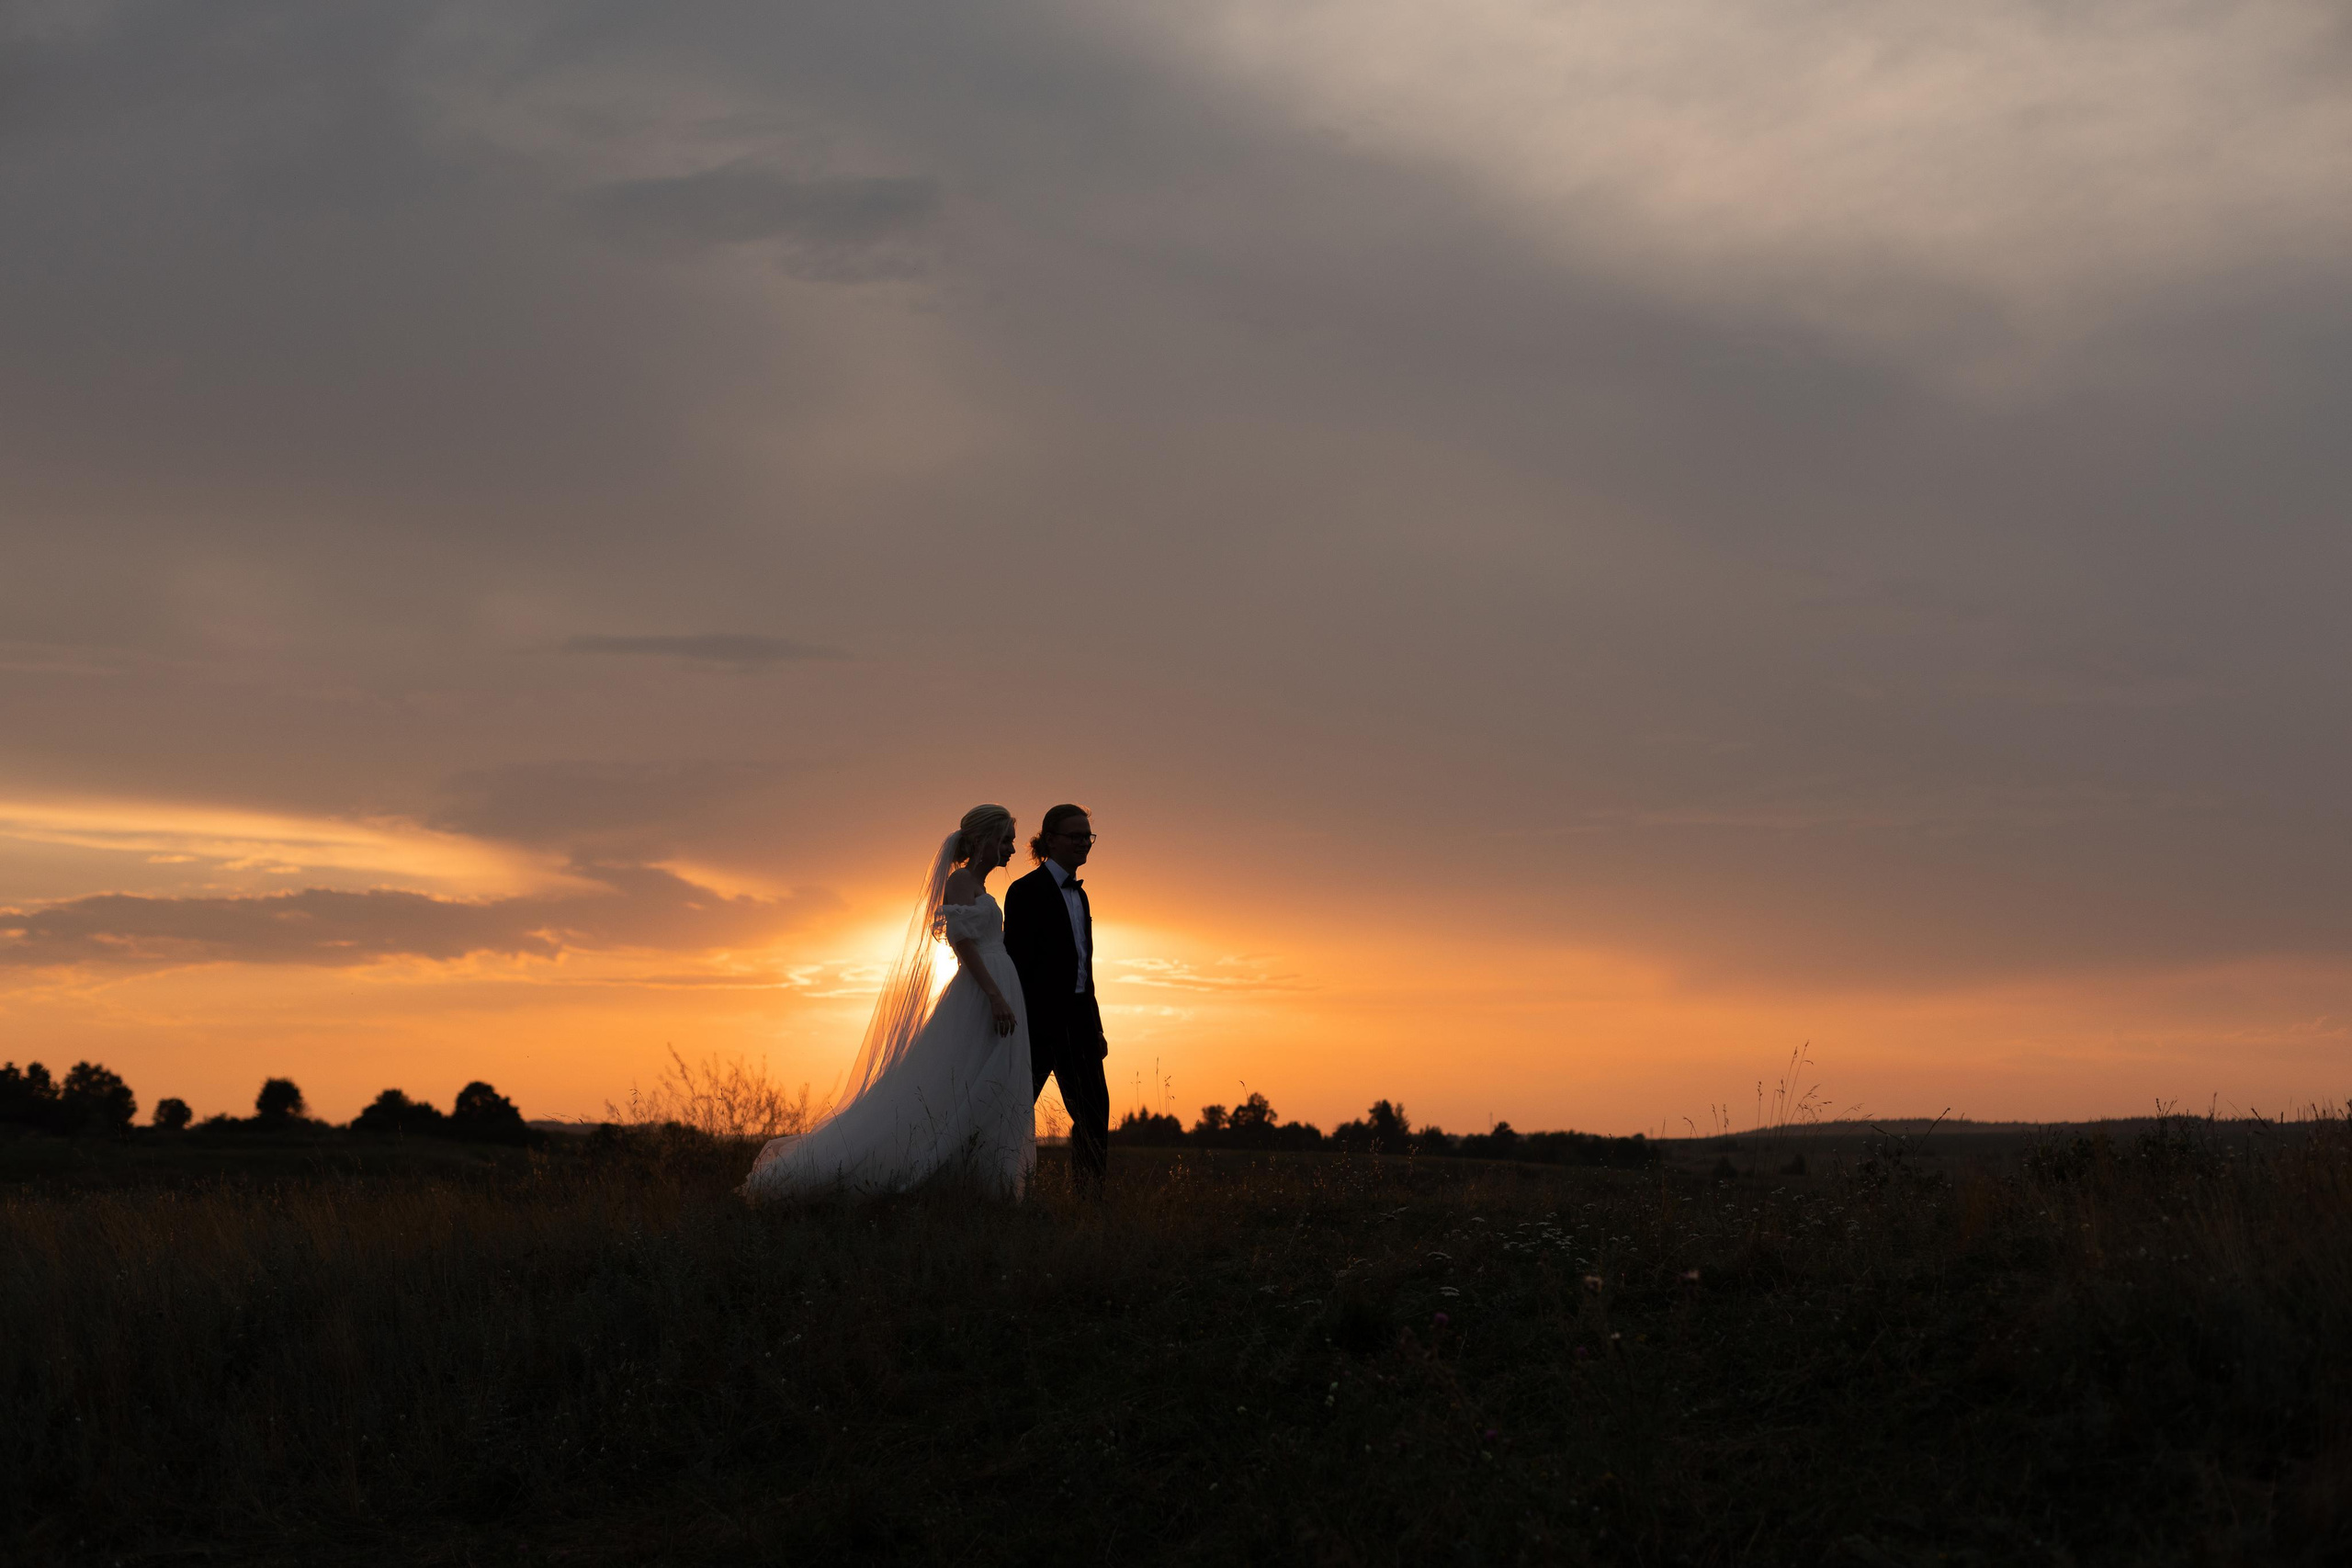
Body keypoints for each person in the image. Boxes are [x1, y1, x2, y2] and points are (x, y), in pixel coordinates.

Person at [742, 805, 1034, 1201]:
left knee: (990, 1080)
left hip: (998, 984)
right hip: (982, 992)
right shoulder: (962, 882)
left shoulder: (980, 888)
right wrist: (994, 995)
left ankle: (982, 1184)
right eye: (1006, 840)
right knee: (953, 1081)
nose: (1012, 849)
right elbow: (962, 943)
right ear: (984, 841)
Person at [1003, 803, 1111, 1191]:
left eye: (1088, 836)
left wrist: (1095, 1027)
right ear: (1051, 839)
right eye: (1075, 835)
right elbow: (1016, 963)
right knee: (1012, 1113)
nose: (1084, 843)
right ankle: (995, 1190)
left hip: (1080, 1024)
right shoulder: (1024, 892)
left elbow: (1085, 969)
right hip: (1037, 1025)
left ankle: (1089, 1201)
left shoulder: (1081, 898)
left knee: (1094, 1115)